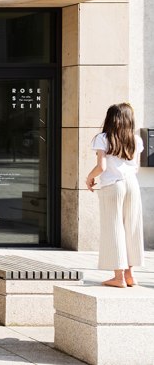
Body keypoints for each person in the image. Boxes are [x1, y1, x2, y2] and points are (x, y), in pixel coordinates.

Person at [85, 103, 145, 288]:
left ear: (110, 119)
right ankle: (130, 275)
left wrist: (89, 178)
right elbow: (135, 166)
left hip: (113, 186)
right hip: (132, 185)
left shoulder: (103, 138)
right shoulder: (136, 140)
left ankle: (118, 277)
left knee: (114, 228)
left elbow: (101, 167)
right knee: (132, 227)